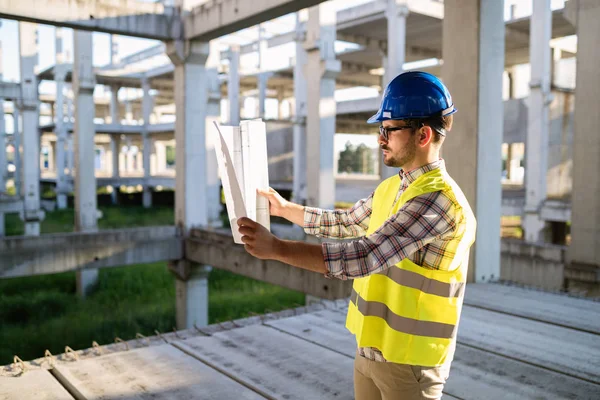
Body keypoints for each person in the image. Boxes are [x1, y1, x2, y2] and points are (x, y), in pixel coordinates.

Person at [237, 71, 477, 400]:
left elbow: (364, 256)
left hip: (409, 366)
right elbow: (348, 222)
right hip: (370, 351)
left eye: (389, 131)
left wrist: (277, 248)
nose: (380, 139)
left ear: (422, 135)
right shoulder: (394, 188)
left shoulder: (437, 202)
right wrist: (285, 209)